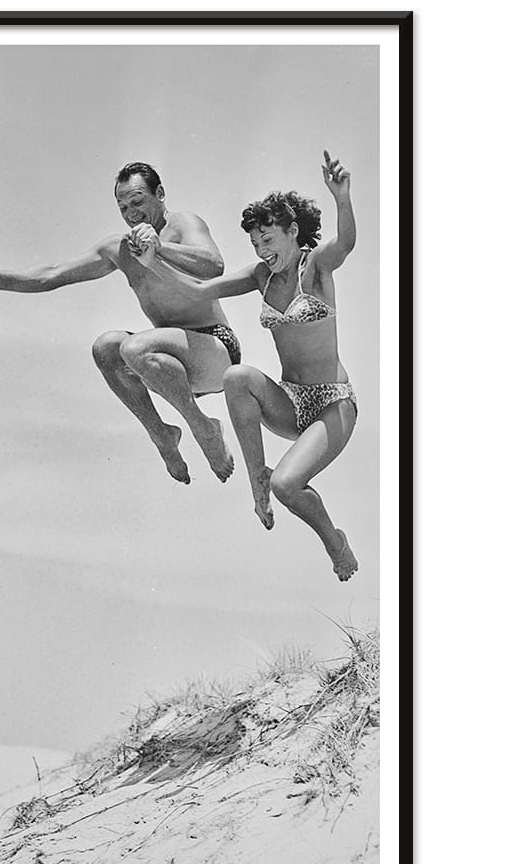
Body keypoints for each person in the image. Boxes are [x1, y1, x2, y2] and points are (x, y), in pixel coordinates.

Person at [129, 152, 359, 581]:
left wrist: (341, 198)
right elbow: (200, 290)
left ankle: (335, 541)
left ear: (293, 232)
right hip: (289, 402)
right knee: (237, 376)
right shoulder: (261, 276)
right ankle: (257, 479)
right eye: (256, 244)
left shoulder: (317, 266)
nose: (262, 251)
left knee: (288, 486)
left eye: (269, 240)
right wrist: (153, 262)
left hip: (333, 405)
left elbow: (345, 242)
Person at [0, 162, 239, 484]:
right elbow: (53, 274)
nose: (131, 213)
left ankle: (205, 429)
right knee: (106, 348)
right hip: (167, 365)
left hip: (215, 350)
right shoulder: (119, 249)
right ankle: (161, 434)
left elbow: (214, 265)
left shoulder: (184, 225)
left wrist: (161, 248)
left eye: (137, 202)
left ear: (160, 195)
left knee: (134, 347)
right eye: (122, 207)